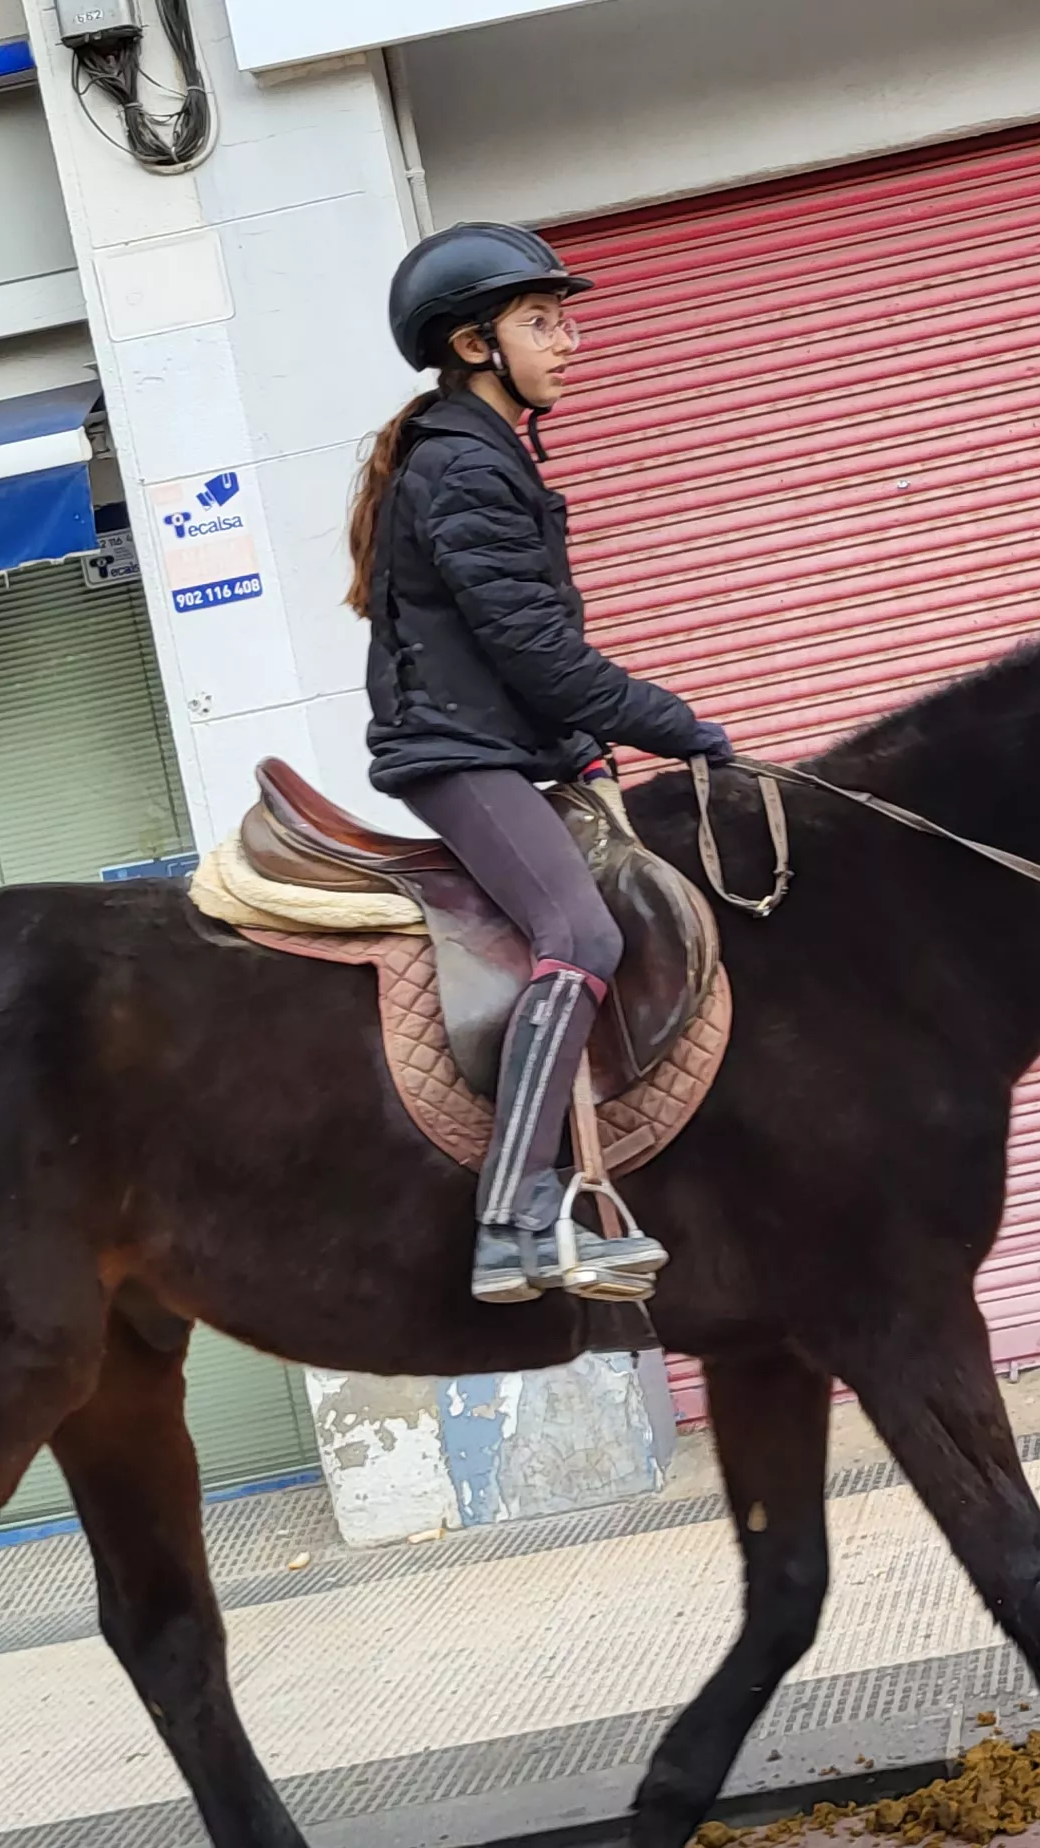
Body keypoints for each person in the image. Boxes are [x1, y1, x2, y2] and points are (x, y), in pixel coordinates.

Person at [347, 221, 728, 1305]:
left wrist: (584, 752)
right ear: (475, 346)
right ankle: (511, 1219)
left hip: (492, 740)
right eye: (541, 323)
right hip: (454, 755)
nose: (569, 342)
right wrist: (681, 726)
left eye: (564, 321)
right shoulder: (466, 468)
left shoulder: (482, 454)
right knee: (583, 934)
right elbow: (541, 656)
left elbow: (508, 654)